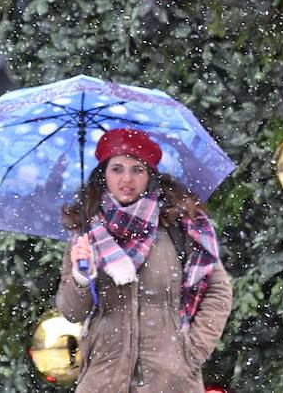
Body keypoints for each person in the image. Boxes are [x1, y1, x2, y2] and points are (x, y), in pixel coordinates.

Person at [57, 128, 232, 393]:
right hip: (103, 379)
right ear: (103, 174)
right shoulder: (86, 233)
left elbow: (218, 289)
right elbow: (71, 312)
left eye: (137, 169)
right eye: (117, 169)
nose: (126, 179)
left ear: (150, 175)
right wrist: (83, 277)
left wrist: (192, 350)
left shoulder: (177, 225)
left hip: (170, 380)